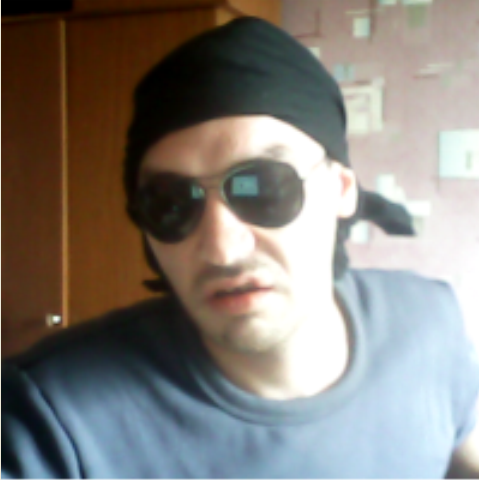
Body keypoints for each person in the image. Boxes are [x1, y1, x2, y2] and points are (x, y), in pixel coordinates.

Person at [2, 17, 478, 478]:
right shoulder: (50, 417)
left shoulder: (430, 321)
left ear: (341, 190)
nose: (221, 250)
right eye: (171, 203)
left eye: (264, 188)